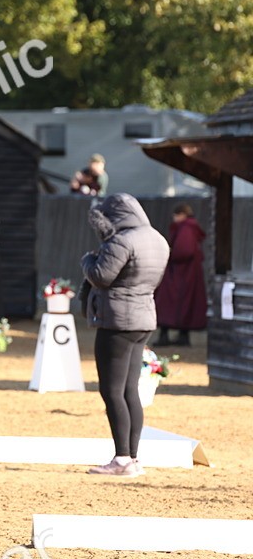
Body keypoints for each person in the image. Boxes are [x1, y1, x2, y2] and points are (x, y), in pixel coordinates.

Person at [81, 193, 169, 477]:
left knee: (111, 390)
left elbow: (101, 276)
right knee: (130, 390)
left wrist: (87, 260)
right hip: (144, 318)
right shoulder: (157, 238)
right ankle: (133, 458)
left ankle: (121, 459)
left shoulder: (122, 240)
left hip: (117, 320)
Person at [153, 203, 207, 346]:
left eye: (176, 215)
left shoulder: (186, 229)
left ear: (182, 215)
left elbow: (184, 250)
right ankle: (182, 335)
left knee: (168, 302)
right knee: (184, 304)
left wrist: (170, 254)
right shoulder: (190, 228)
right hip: (187, 273)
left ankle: (166, 335)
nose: (174, 218)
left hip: (180, 273)